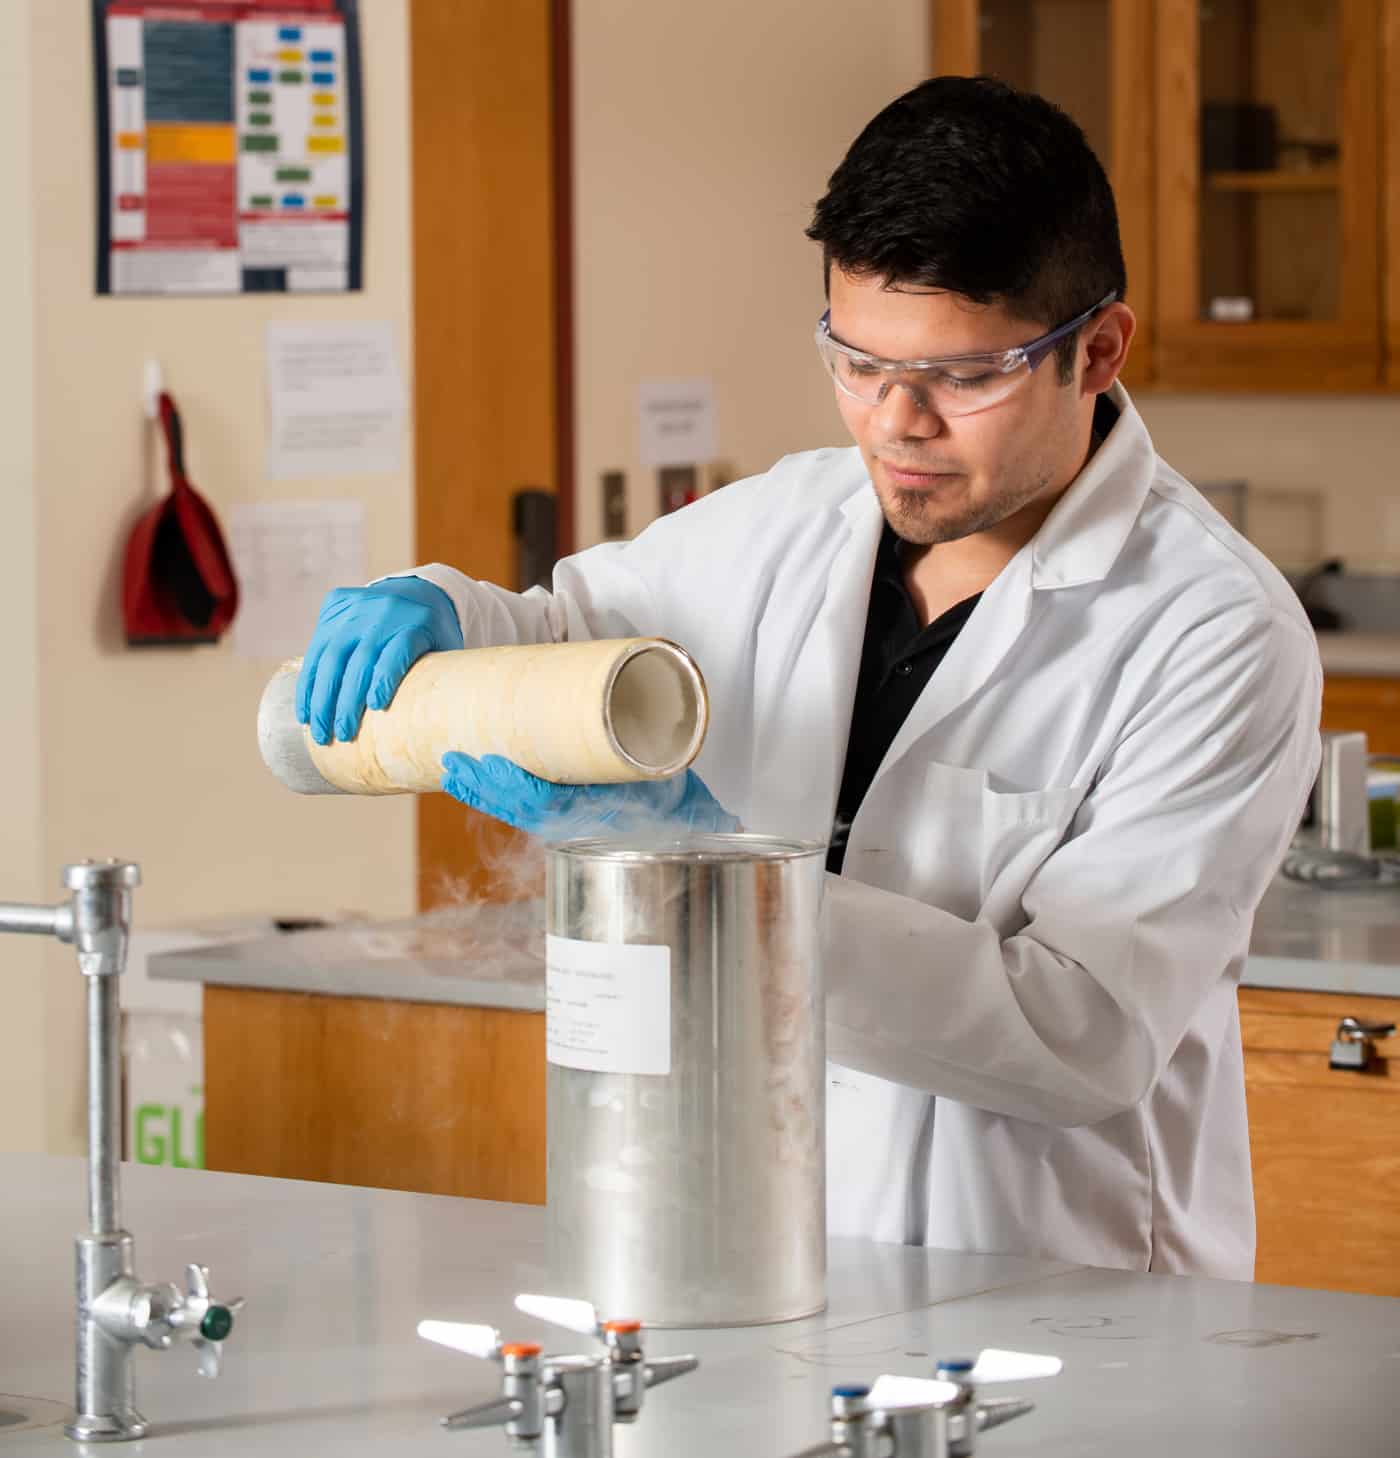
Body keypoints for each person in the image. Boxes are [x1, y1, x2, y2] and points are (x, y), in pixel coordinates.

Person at [297, 76, 1321, 1279]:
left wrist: (732, 887)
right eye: (854, 359)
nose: (894, 423)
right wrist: (439, 606)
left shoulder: (1209, 628)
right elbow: (562, 627)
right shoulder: (782, 523)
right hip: (758, 1245)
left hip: (1056, 1282)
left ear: (1095, 349)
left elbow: (1083, 1036)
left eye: (962, 376)